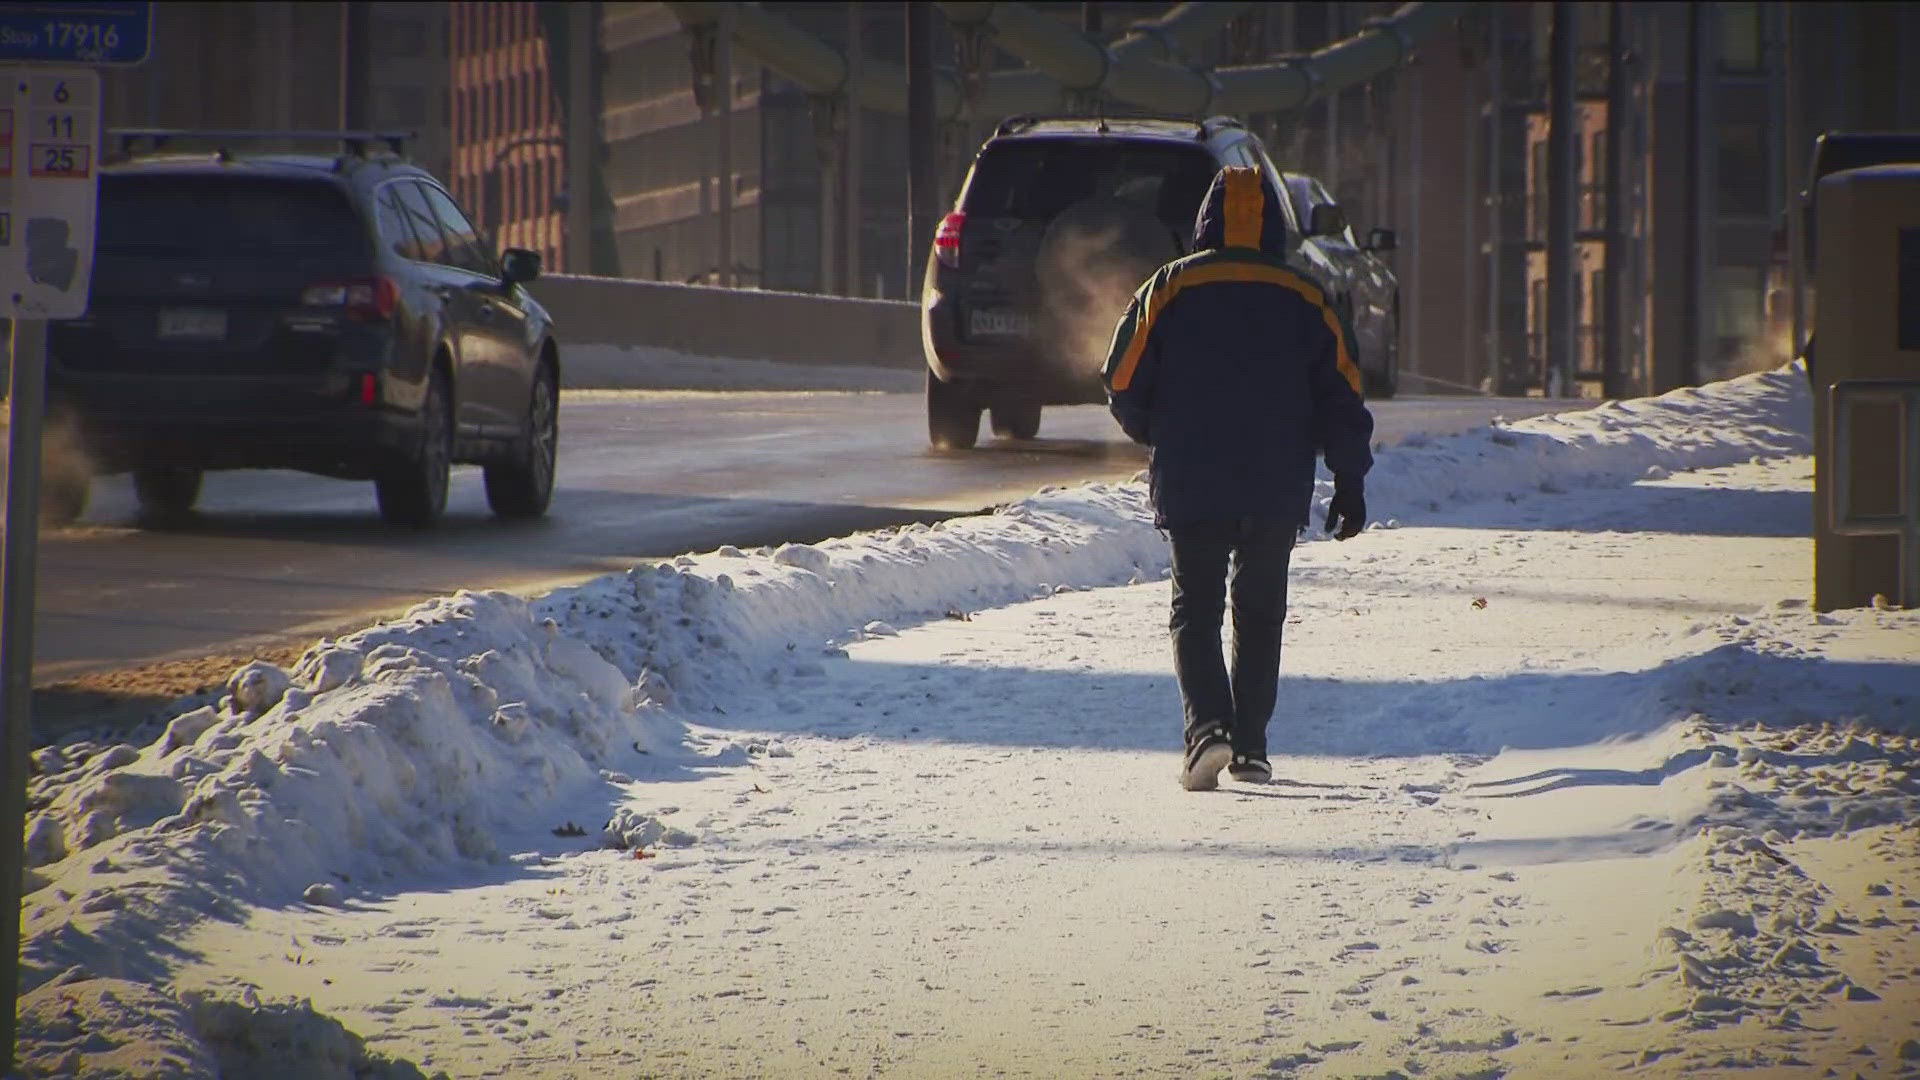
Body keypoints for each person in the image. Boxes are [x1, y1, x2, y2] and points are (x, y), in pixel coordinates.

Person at [1100, 165, 1375, 791]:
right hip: (1276, 483)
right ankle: (1250, 746)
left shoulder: (1169, 287)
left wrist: (1155, 429)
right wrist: (1349, 478)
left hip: (1193, 475)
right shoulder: (1306, 296)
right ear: (1273, 226)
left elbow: (1120, 378)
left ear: (1206, 222)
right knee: (1259, 612)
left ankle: (1206, 733)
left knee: (1194, 610)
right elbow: (1343, 394)